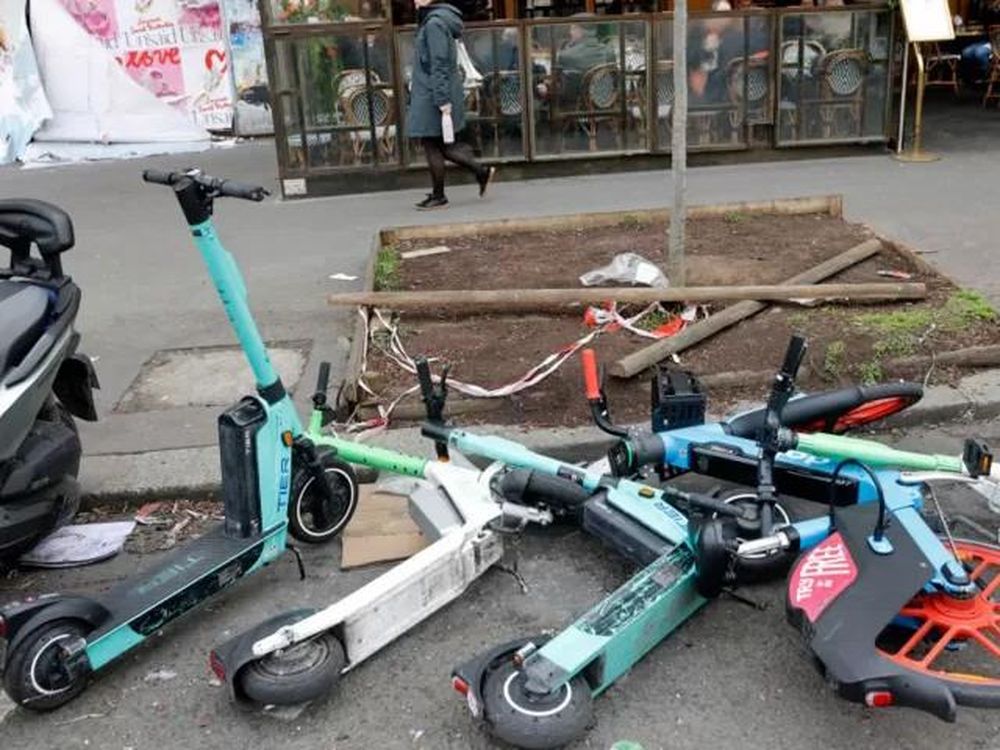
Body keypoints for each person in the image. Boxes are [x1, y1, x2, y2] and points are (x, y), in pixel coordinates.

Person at [407, 0, 495, 210]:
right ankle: (480, 172)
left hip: (431, 94)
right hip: (434, 91)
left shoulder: (434, 24)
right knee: (442, 144)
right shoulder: (439, 20)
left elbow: (439, 64)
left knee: (431, 143)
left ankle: (440, 196)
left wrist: (441, 100)